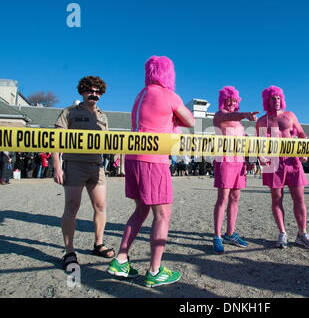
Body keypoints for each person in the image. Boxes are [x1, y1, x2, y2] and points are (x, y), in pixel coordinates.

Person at [107, 56, 194, 287]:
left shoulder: (140, 95)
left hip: (133, 157)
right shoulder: (168, 95)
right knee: (162, 214)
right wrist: (175, 121)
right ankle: (155, 271)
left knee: (140, 210)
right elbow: (191, 120)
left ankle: (121, 259)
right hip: (154, 159)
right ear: (168, 74)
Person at [52, 76, 115, 272]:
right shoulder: (69, 112)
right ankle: (69, 251)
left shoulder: (103, 116)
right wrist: (57, 165)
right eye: (90, 91)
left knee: (101, 206)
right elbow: (55, 139)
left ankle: (98, 244)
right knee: (72, 207)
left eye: (97, 92)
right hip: (74, 164)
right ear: (82, 91)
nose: (94, 95)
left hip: (97, 166)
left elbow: (108, 143)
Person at [256, 86, 309, 249]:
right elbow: (260, 144)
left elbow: (302, 134)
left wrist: (303, 151)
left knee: (299, 199)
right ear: (267, 101)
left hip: (292, 160)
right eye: (272, 98)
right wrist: (260, 156)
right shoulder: (263, 121)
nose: (276, 101)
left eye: (278, 98)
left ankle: (302, 234)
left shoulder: (290, 116)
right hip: (273, 163)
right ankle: (282, 233)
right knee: (276, 199)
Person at [211, 86, 258, 254]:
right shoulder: (220, 115)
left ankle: (230, 233)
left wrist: (250, 158)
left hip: (239, 162)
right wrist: (245, 115)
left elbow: (244, 141)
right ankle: (217, 236)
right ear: (223, 100)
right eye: (229, 99)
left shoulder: (238, 123)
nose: (231, 102)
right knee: (222, 198)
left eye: (234, 100)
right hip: (224, 160)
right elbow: (228, 116)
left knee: (235, 197)